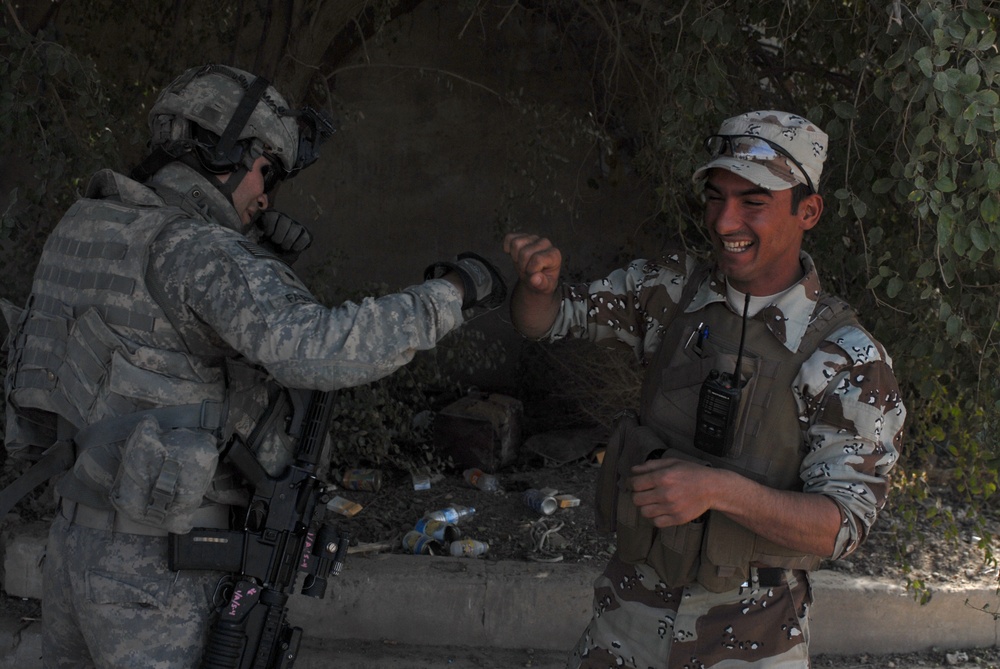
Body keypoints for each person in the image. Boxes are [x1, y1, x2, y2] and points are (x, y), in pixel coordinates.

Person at [1, 63, 505, 668]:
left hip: (71, 551)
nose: (264, 196)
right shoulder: (194, 248)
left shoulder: (81, 225)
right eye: (265, 171)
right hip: (158, 575)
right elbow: (318, 346)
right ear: (224, 149)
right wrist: (451, 294)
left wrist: (258, 256)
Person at [504, 110, 905, 668]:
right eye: (716, 197)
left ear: (807, 211)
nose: (723, 221)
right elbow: (545, 319)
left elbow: (844, 524)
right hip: (628, 621)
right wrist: (537, 285)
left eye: (753, 202)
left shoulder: (847, 358)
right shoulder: (672, 290)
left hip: (755, 639)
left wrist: (720, 490)